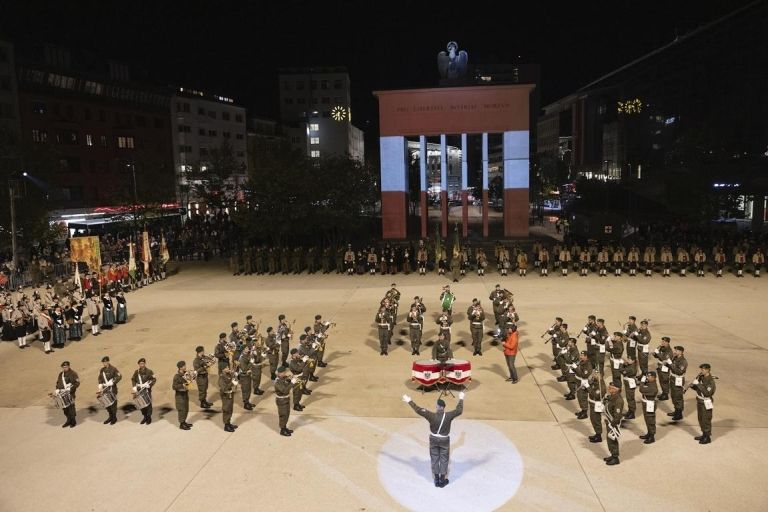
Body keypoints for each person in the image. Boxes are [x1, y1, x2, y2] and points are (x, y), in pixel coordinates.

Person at [402, 392, 465, 488]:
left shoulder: (430, 415)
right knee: (444, 459)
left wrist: (409, 401)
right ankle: (442, 480)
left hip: (433, 439)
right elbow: (459, 410)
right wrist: (461, 399)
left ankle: (436, 479)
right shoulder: (448, 415)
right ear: (443, 407)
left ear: (437, 406)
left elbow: (418, 410)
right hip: (444, 440)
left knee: (435, 458)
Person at [689, 363, 716, 444]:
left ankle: (707, 437)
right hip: (700, 401)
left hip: (706, 402)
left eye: (703, 369)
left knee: (706, 419)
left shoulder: (711, 381)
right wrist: (693, 386)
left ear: (708, 370)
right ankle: (704, 434)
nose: (701, 371)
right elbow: (699, 389)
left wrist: (698, 384)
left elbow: (707, 393)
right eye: (701, 369)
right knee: (701, 418)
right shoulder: (702, 377)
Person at [603, 381, 624, 466]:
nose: (609, 389)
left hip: (613, 423)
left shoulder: (618, 400)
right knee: (609, 439)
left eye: (611, 388)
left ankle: (615, 457)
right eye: (609, 387)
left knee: (613, 439)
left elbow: (617, 415)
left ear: (616, 390)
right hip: (609, 421)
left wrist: (612, 424)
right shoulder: (612, 397)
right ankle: (612, 454)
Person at [665, 345, 688, 421]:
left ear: (681, 352)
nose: (675, 352)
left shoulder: (683, 361)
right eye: (675, 350)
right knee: (673, 395)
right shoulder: (675, 358)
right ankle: (676, 410)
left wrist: (671, 364)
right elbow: (671, 367)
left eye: (677, 350)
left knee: (678, 397)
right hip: (672, 378)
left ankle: (679, 413)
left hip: (678, 379)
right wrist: (667, 364)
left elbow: (679, 371)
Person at [131, 357, 156, 425]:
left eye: (143, 363)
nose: (141, 364)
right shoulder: (136, 372)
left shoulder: (149, 371)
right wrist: (134, 388)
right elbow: (133, 379)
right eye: (140, 363)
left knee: (148, 404)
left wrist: (149, 385)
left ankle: (149, 417)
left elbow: (154, 379)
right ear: (138, 364)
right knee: (141, 404)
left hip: (147, 390)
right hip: (139, 390)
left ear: (145, 363)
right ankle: (145, 417)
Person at [55, 361, 80, 428]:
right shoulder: (61, 374)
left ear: (68, 366)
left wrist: (71, 389)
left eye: (65, 367)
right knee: (65, 409)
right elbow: (58, 383)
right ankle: (68, 420)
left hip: (70, 393)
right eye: (63, 367)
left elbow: (77, 383)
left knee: (71, 408)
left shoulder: (73, 373)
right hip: (62, 393)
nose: (64, 368)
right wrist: (57, 389)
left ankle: (73, 421)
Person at [638, 371, 658, 444]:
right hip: (646, 403)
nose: (647, 378)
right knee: (647, 419)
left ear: (653, 378)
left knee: (650, 420)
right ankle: (649, 433)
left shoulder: (653, 386)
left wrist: (642, 382)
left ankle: (652, 436)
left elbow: (641, 389)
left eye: (649, 377)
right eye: (647, 376)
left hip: (650, 404)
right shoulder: (650, 383)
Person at [274, 366, 294, 436]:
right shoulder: (277, 382)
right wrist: (292, 383)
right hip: (281, 400)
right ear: (279, 373)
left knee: (287, 414)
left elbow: (285, 383)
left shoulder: (282, 378)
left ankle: (284, 427)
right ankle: (282, 430)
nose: (285, 373)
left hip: (285, 399)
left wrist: (289, 379)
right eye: (284, 372)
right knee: (283, 415)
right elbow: (284, 390)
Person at [173, 361, 192, 430]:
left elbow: (189, 381)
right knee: (182, 409)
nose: (185, 367)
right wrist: (182, 385)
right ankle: (181, 424)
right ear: (180, 367)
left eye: (185, 365)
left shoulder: (186, 374)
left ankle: (184, 422)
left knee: (186, 408)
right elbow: (174, 387)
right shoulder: (177, 376)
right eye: (184, 366)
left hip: (185, 394)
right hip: (180, 396)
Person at [219, 367, 238, 432]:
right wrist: (232, 383)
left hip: (230, 394)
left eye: (228, 367)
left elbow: (232, 378)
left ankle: (229, 423)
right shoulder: (221, 378)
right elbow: (224, 388)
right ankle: (226, 426)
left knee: (230, 409)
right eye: (226, 368)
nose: (228, 369)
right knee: (226, 409)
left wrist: (234, 374)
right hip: (225, 396)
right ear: (222, 369)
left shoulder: (228, 374)